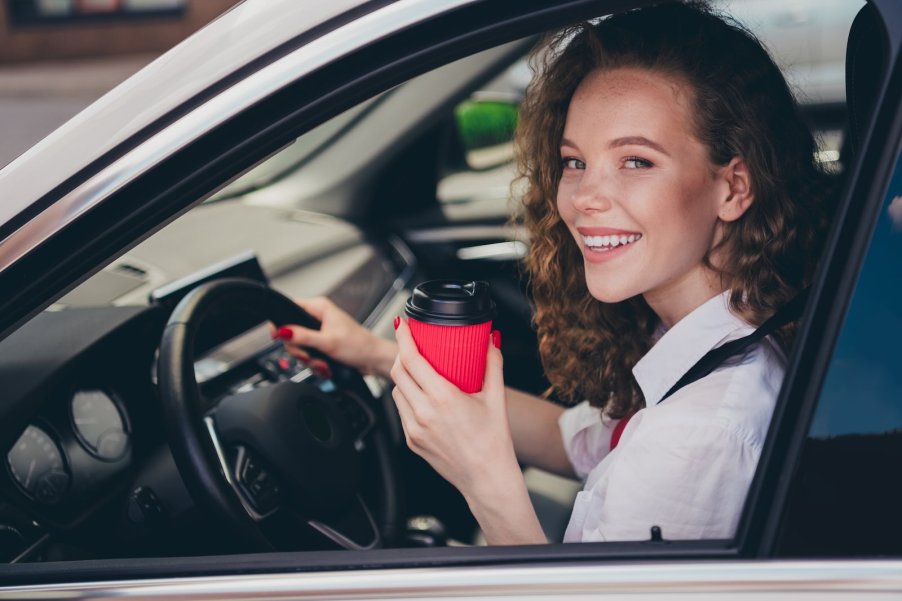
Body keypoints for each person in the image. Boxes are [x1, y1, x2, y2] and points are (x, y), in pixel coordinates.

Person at [275, 1, 834, 545]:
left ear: (733, 187)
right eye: (575, 161)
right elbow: (572, 443)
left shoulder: (695, 437)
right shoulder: (711, 340)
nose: (586, 197)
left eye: (636, 161)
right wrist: (375, 354)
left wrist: (484, 479)